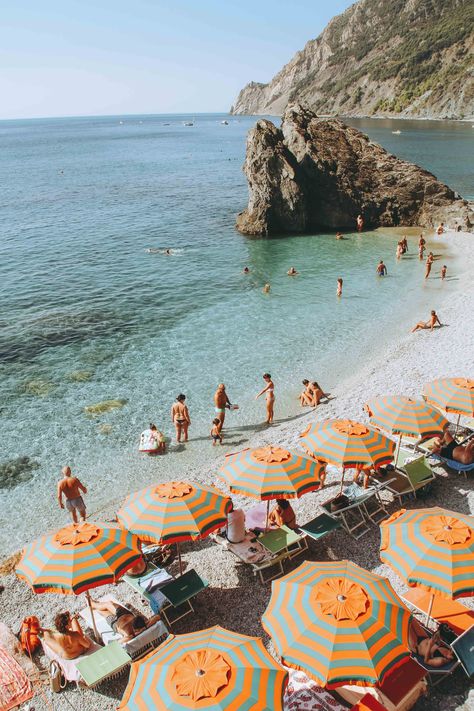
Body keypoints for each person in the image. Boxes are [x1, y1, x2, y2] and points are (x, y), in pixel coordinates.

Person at [88, 600, 160, 643]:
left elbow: (119, 642)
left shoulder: (129, 634)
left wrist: (134, 635)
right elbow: (157, 617)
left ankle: (92, 604)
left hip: (115, 623)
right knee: (109, 603)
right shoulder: (145, 625)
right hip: (124, 613)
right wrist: (146, 627)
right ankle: (94, 604)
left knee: (101, 611)